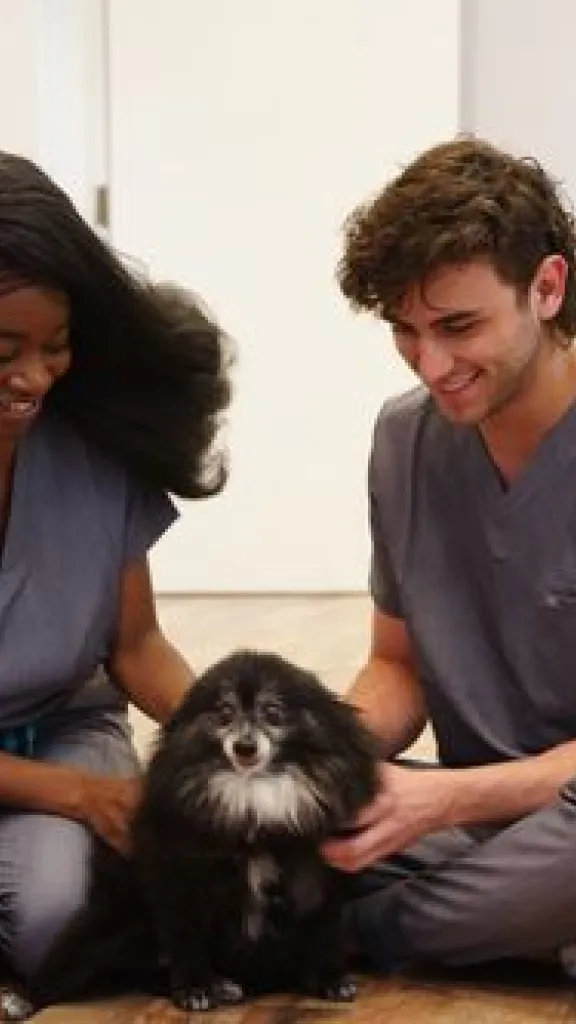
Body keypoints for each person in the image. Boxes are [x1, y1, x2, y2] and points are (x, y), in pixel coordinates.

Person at [321, 137, 576, 976]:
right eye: (406, 331)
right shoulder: (405, 439)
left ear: (547, 287)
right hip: (479, 825)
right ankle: (505, 928)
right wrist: (324, 765)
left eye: (459, 326)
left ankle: (328, 935)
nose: (432, 365)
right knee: (268, 838)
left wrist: (444, 798)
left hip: (530, 819)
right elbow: (397, 665)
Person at [0, 150, 233, 986]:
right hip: (58, 776)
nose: (35, 378)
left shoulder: (92, 447)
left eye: (56, 347)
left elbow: (136, 647)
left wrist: (225, 738)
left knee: (60, 922)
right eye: (4, 350)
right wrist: (79, 796)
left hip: (64, 727)